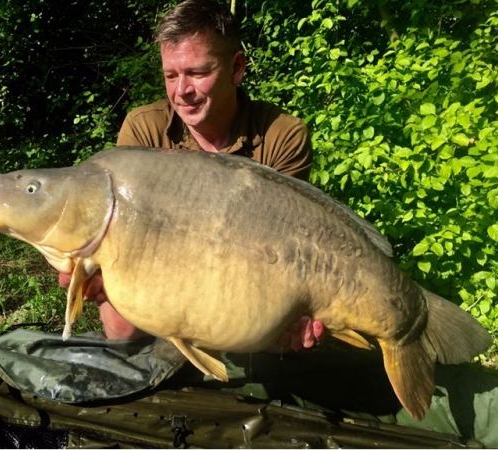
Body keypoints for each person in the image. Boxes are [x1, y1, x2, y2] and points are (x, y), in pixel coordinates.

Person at [58, 0, 324, 352]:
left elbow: (292, 247)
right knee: (120, 326)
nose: (181, 90)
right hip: (161, 271)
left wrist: (290, 313)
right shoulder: (144, 130)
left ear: (237, 67)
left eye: (197, 73)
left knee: (278, 332)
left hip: (249, 274)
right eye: (171, 75)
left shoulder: (282, 134)